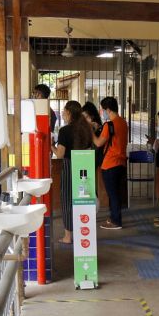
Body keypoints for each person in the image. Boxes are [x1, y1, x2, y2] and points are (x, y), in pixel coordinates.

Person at [52, 101, 94, 244]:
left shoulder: (65, 131)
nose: (63, 113)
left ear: (69, 112)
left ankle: (68, 236)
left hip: (70, 166)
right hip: (85, 166)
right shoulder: (87, 129)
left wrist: (51, 145)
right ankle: (84, 232)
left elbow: (60, 155)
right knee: (83, 200)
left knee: (67, 200)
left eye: (64, 111)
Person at [93, 97, 128, 230]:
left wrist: (91, 131)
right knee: (116, 193)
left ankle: (116, 221)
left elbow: (98, 143)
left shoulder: (109, 125)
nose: (103, 112)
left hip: (109, 163)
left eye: (103, 110)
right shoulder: (123, 123)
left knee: (112, 194)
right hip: (121, 163)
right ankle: (115, 217)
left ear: (107, 109)